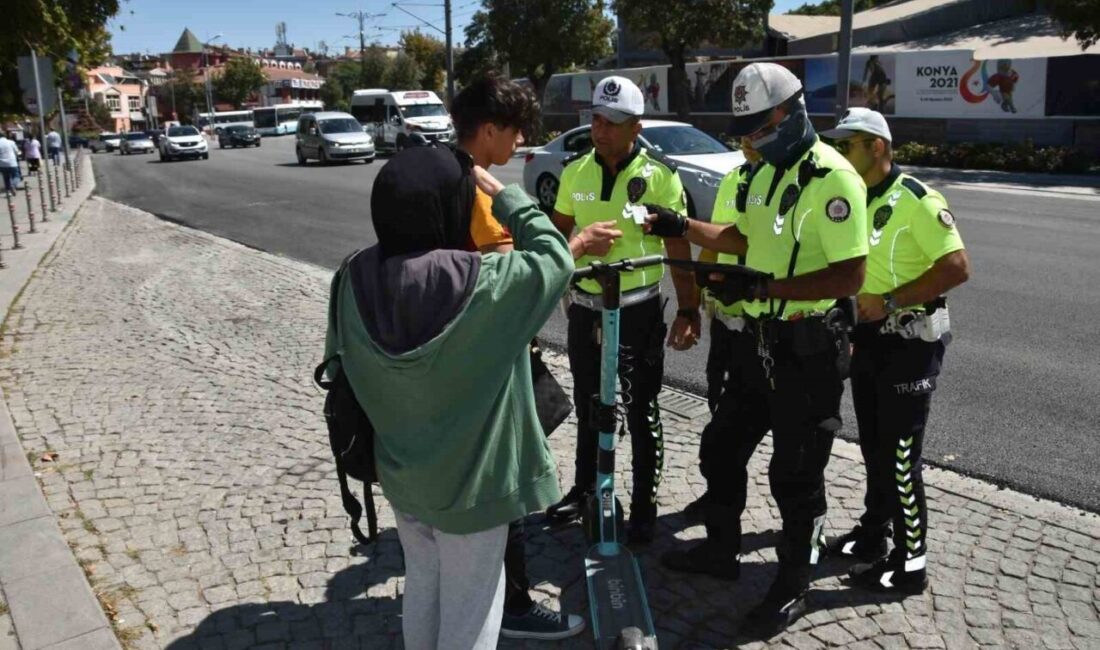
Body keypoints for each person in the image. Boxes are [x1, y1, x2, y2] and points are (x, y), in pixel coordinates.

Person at [646, 62, 868, 637]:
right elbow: (742, 237)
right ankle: (722, 551)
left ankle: (794, 580)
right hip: (758, 345)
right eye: (742, 127)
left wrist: (764, 288)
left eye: (758, 124)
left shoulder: (834, 179)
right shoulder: (764, 171)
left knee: (795, 476)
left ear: (791, 112)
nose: (749, 137)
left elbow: (849, 276)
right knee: (720, 448)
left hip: (809, 348)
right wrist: (683, 224)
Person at [324, 146, 573, 649]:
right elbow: (555, 256)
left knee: (425, 587)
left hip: (401, 474)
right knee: (473, 608)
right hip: (475, 492)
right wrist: (507, 198)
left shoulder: (350, 279)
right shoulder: (486, 284)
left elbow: (339, 365)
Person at [448, 73, 586, 641]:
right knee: (508, 488)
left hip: (452, 357)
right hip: (490, 363)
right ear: (488, 130)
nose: (522, 140)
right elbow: (519, 290)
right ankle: (516, 606)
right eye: (516, 129)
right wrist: (573, 248)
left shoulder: (439, 175)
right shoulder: (479, 193)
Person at [545, 75, 700, 545]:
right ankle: (586, 489)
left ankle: (644, 505)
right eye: (595, 119)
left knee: (640, 409)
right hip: (587, 309)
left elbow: (678, 249)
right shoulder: (575, 172)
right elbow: (557, 236)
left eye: (612, 121)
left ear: (636, 126)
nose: (601, 129)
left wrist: (689, 310)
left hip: (637, 311)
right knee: (591, 401)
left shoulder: (660, 177)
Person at [821, 108, 970, 593]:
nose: (841, 153)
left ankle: (911, 564)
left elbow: (957, 267)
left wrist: (887, 302)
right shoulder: (855, 198)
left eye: (850, 144)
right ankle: (872, 537)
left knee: (901, 456)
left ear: (878, 147)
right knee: (875, 449)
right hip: (868, 343)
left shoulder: (917, 201)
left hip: (910, 343)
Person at [680, 137, 762, 526]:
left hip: (766, 328)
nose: (748, 142)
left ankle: (797, 528)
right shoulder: (733, 179)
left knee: (774, 431)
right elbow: (714, 241)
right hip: (726, 323)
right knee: (720, 417)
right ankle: (719, 499)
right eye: (743, 134)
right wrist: (692, 303)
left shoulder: (789, 181)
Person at [0, 132, 20, 197]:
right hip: (12, 162)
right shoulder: (11, 142)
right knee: (16, 176)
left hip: (2, 163)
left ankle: (8, 191)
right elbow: (17, 151)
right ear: (5, 136)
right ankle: (13, 185)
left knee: (6, 178)